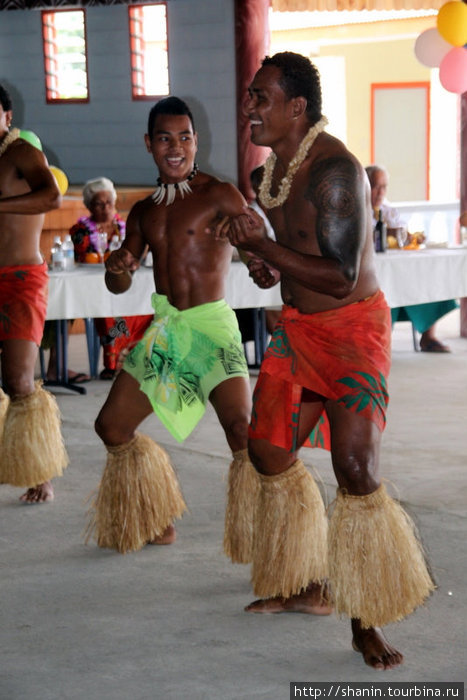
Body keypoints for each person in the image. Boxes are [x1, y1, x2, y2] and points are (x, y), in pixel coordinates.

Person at [216, 53, 434, 670]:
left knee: (356, 470)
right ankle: (309, 581)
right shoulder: (266, 177)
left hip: (351, 331)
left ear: (296, 109)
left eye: (261, 97)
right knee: (267, 454)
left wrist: (264, 245)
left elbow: (339, 277)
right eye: (250, 96)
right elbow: (284, 266)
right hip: (296, 332)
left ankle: (366, 619)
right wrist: (260, 260)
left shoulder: (335, 172)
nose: (249, 107)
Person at [86, 96, 257, 559]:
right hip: (168, 332)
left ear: (196, 142)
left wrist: (258, 252)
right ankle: (155, 516)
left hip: (212, 329)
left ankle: (271, 545)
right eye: (165, 138)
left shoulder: (219, 193)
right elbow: (118, 284)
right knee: (111, 427)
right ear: (149, 144)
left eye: (185, 137)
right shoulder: (143, 211)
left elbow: (258, 243)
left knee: (243, 432)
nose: (176, 147)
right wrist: (119, 264)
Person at [0, 83, 68, 503]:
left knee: (20, 379)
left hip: (22, 277)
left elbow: (52, 195)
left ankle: (39, 470)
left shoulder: (20, 152)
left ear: (6, 117)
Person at [366, 165, 457, 353]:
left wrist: (410, 237)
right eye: (376, 186)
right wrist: (381, 234)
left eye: (384, 187)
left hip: (398, 266)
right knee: (385, 289)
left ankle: (428, 337)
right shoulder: (355, 209)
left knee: (428, 280)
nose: (381, 192)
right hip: (373, 271)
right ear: (365, 186)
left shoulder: (387, 210)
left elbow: (402, 233)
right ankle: (379, 343)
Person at [69, 177, 153, 380]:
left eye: (109, 203)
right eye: (99, 203)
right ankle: (113, 364)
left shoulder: (125, 228)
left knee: (142, 305)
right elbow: (85, 256)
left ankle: (135, 359)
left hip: (125, 283)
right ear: (89, 206)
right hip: (94, 285)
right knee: (107, 310)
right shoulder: (80, 231)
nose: (105, 208)